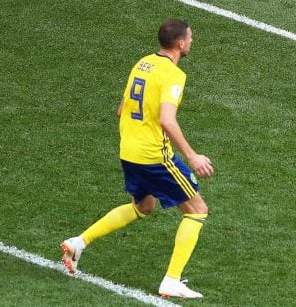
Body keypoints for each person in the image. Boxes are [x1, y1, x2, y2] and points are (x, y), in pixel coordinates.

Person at [60, 18, 214, 298]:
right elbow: (167, 120)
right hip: (153, 155)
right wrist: (191, 156)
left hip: (129, 151)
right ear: (180, 44)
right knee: (197, 210)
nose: (191, 42)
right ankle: (172, 280)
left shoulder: (142, 63)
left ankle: (78, 242)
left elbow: (122, 109)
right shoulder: (174, 75)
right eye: (190, 38)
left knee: (143, 206)